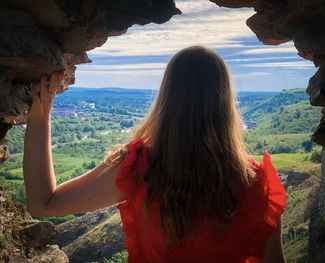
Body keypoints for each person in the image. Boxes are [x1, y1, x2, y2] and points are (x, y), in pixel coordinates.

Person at [23, 46, 287, 263]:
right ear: (225, 102)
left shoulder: (139, 167)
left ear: (168, 97)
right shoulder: (258, 181)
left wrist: (40, 117)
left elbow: (44, 202)